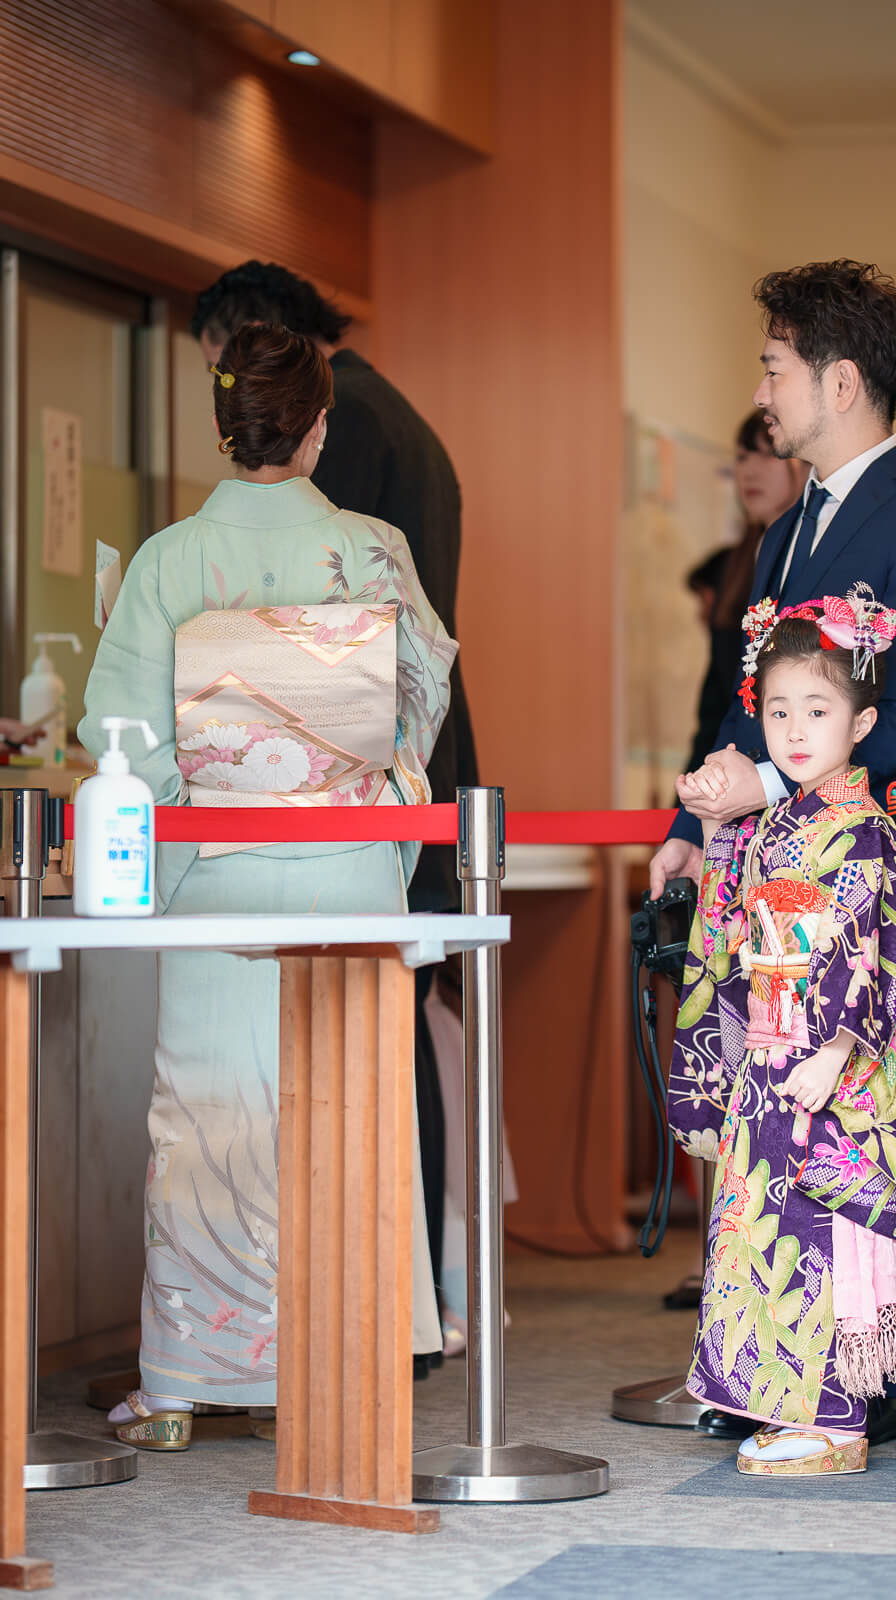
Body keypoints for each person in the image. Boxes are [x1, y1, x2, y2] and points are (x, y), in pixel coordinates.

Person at [80, 324, 456, 1447]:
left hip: (217, 874)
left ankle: (187, 1381)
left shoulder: (167, 562)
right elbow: (415, 707)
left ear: (220, 425)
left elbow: (124, 737)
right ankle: (347, 1362)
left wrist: (193, 825)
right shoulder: (375, 550)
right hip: (346, 871)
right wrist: (360, 810)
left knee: (211, 1122)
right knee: (348, 1111)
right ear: (320, 427)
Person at [650, 260, 896, 1445]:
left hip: (856, 866)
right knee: (770, 1108)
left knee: (861, 1105)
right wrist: (698, 825)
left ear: (838, 381)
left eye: (773, 364)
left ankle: (884, 1364)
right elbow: (754, 704)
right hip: (762, 866)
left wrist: (776, 776)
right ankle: (781, 1360)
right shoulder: (792, 523)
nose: (762, 385)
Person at [192, 262, 476, 1337]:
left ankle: (370, 1309)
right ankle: (410, 1302)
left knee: (363, 1040)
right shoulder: (399, 414)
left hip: (341, 786)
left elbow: (305, 653)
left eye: (226, 374)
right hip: (409, 764)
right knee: (394, 1027)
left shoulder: (343, 424)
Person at [668, 590, 896, 1477]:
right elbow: (730, 926)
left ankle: (835, 1416)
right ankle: (786, 1400)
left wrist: (840, 1047)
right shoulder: (776, 822)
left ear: (863, 723)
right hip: (772, 1051)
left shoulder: (865, 831)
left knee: (823, 1233)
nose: (796, 731)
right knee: (764, 1224)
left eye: (820, 711)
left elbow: (881, 948)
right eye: (780, 711)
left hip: (832, 1063)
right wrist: (719, 833)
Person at [687, 414, 808, 771]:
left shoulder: (811, 559)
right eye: (742, 457)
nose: (750, 471)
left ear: (803, 465)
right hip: (726, 764)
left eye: (768, 454)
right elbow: (715, 701)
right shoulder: (732, 566)